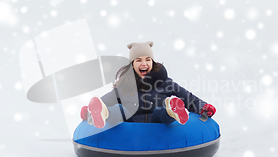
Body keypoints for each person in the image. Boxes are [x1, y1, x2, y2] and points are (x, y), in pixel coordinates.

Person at [80, 41, 216, 128]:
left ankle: (172, 109)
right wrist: (90, 111)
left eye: (147, 59)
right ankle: (104, 113)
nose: (144, 63)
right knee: (122, 110)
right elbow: (107, 99)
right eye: (138, 60)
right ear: (132, 64)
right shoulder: (125, 85)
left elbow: (188, 97)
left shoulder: (164, 82)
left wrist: (203, 107)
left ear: (152, 62)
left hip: (158, 122)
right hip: (132, 123)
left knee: (160, 111)